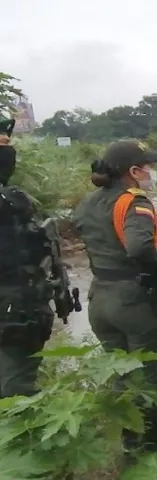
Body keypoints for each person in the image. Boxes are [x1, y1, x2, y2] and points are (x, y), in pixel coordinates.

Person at [72, 140, 157, 462]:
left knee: (123, 374)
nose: (153, 173)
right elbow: (139, 248)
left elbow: (103, 244)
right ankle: (154, 448)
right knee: (150, 377)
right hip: (138, 302)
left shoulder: (87, 203)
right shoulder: (135, 202)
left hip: (101, 299)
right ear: (134, 172)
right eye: (149, 167)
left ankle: (130, 444)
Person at [0, 124, 75, 399]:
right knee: (16, 393)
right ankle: (22, 439)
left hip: (18, 310)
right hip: (14, 314)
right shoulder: (10, 202)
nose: (7, 148)